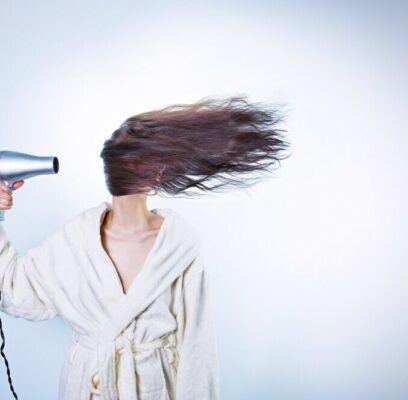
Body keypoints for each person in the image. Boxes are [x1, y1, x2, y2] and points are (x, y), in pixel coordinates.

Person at [0, 96, 290, 400]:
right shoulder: (74, 241)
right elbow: (14, 292)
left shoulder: (177, 247)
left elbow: (197, 351)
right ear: (157, 174)